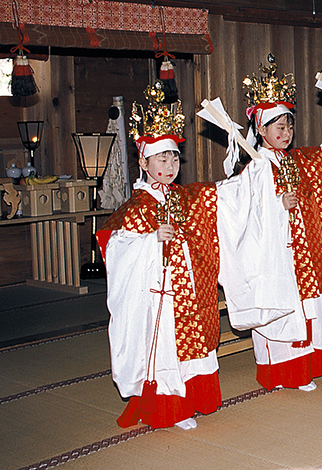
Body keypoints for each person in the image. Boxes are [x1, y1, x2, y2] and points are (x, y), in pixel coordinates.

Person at [220, 55, 322, 392]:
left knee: (310, 307)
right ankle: (282, 373)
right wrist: (276, 205)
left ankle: (308, 364)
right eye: (279, 127)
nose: (286, 132)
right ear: (261, 129)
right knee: (283, 312)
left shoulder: (298, 160)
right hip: (276, 254)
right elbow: (239, 209)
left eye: (289, 125)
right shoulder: (254, 168)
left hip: (305, 252)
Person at [96, 83, 222, 430]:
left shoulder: (183, 197)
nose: (169, 165)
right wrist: (151, 240)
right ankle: (172, 408)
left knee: (192, 341)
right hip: (159, 295)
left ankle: (193, 399)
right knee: (166, 346)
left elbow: (220, 199)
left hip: (188, 289)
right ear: (144, 161)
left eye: (174, 157)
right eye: (161, 158)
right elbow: (118, 251)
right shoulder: (137, 206)